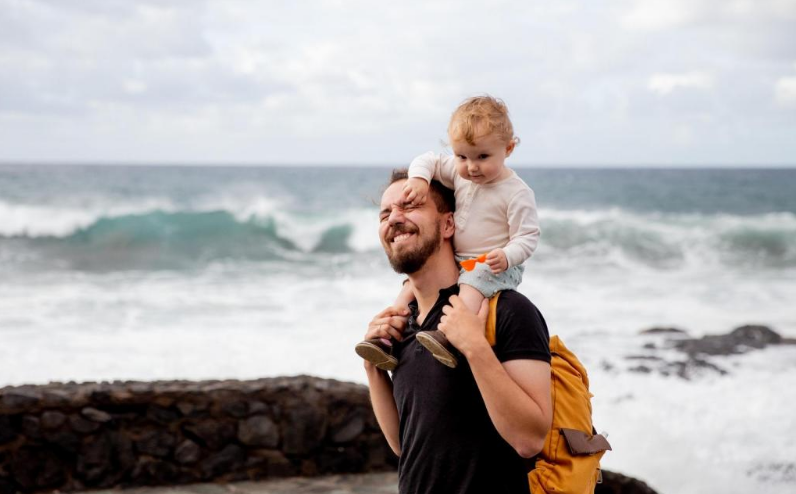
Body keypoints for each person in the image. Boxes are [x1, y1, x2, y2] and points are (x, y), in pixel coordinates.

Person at [362, 169, 552, 493]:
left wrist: (474, 347)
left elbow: (530, 439)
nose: (394, 218)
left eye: (409, 206)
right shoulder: (403, 326)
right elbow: (404, 447)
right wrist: (373, 369)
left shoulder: (505, 310)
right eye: (385, 213)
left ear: (449, 224)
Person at [356, 95, 540, 370]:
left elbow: (528, 236)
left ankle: (448, 337)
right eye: (461, 156)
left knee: (472, 282)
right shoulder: (459, 173)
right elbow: (426, 160)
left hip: (495, 264)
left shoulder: (516, 193)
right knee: (409, 288)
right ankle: (388, 338)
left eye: (482, 157)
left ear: (509, 148)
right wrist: (419, 180)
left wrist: (507, 254)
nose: (471, 166)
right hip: (463, 260)